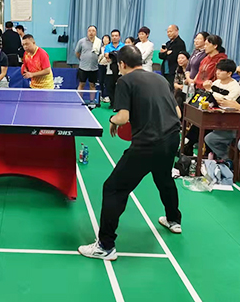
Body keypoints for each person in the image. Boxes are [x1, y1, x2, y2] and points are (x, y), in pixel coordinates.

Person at [78, 46, 182, 261]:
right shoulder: (160, 78)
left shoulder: (124, 81)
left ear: (122, 64)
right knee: (164, 178)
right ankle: (174, 220)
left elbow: (123, 117)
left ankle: (105, 246)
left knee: (113, 188)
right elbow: (178, 112)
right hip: (172, 139)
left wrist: (112, 119)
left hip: (147, 144)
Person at [183, 59, 240, 155]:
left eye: (221, 70)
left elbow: (225, 102)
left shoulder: (235, 88)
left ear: (229, 73)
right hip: (211, 114)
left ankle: (195, 147)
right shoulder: (216, 83)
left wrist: (209, 91)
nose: (217, 72)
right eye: (217, 70)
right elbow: (208, 98)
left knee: (204, 125)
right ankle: (188, 145)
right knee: (198, 122)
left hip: (225, 118)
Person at [75, 25, 99, 102]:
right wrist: (82, 59)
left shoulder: (99, 42)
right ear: (87, 32)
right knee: (81, 84)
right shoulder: (81, 41)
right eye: (89, 31)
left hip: (94, 68)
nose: (91, 32)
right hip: (83, 68)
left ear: (96, 32)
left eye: (93, 31)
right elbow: (77, 53)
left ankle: (92, 101)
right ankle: (79, 101)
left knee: (92, 85)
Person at [104, 30, 124, 108]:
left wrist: (113, 54)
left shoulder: (123, 46)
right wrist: (116, 54)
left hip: (121, 70)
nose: (114, 37)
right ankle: (112, 103)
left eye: (116, 36)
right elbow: (107, 56)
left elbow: (123, 56)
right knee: (110, 86)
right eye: (113, 36)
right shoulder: (108, 46)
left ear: (119, 37)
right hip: (110, 69)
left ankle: (119, 104)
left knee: (120, 87)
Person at [97, 35, 111, 104]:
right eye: (104, 39)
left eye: (107, 39)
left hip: (108, 66)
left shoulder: (110, 48)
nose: (105, 40)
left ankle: (106, 96)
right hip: (101, 66)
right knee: (101, 81)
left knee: (107, 81)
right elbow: (98, 57)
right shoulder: (100, 48)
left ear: (109, 40)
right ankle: (101, 95)